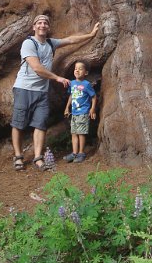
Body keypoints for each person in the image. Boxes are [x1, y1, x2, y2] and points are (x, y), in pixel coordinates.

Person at [11, 15, 99, 171]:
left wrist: (91, 35)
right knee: (18, 123)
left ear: (48, 27)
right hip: (24, 88)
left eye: (45, 23)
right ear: (34, 27)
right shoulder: (28, 43)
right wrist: (57, 78)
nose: (42, 25)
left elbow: (71, 40)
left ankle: (38, 158)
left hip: (42, 91)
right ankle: (18, 157)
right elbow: (37, 68)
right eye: (39, 23)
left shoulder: (51, 43)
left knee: (40, 123)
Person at [63, 61, 97, 163]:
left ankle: (81, 153)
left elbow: (94, 97)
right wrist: (67, 108)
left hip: (83, 112)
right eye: (75, 68)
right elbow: (71, 96)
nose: (77, 70)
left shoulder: (87, 84)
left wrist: (92, 109)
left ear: (86, 73)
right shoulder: (72, 83)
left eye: (80, 69)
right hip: (74, 113)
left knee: (81, 133)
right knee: (74, 133)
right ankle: (74, 153)